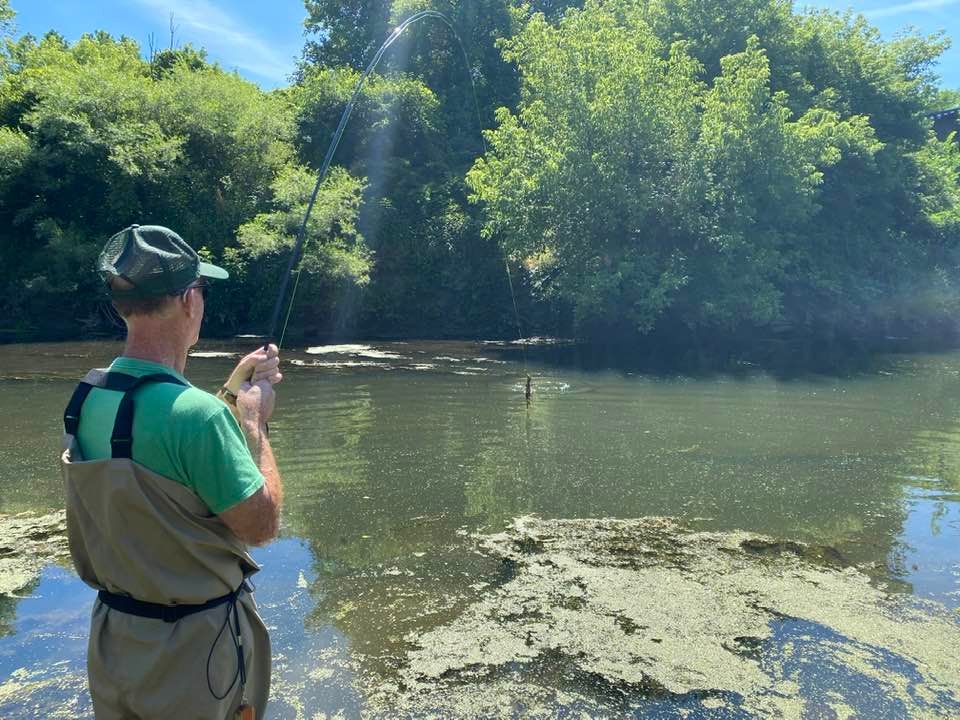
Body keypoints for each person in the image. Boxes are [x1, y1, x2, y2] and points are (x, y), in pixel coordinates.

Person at [60, 224, 283, 719]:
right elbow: (261, 525)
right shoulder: (199, 418)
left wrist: (229, 390)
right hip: (195, 654)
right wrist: (254, 423)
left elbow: (160, 442)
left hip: (115, 642)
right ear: (188, 300)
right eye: (200, 289)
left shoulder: (88, 398)